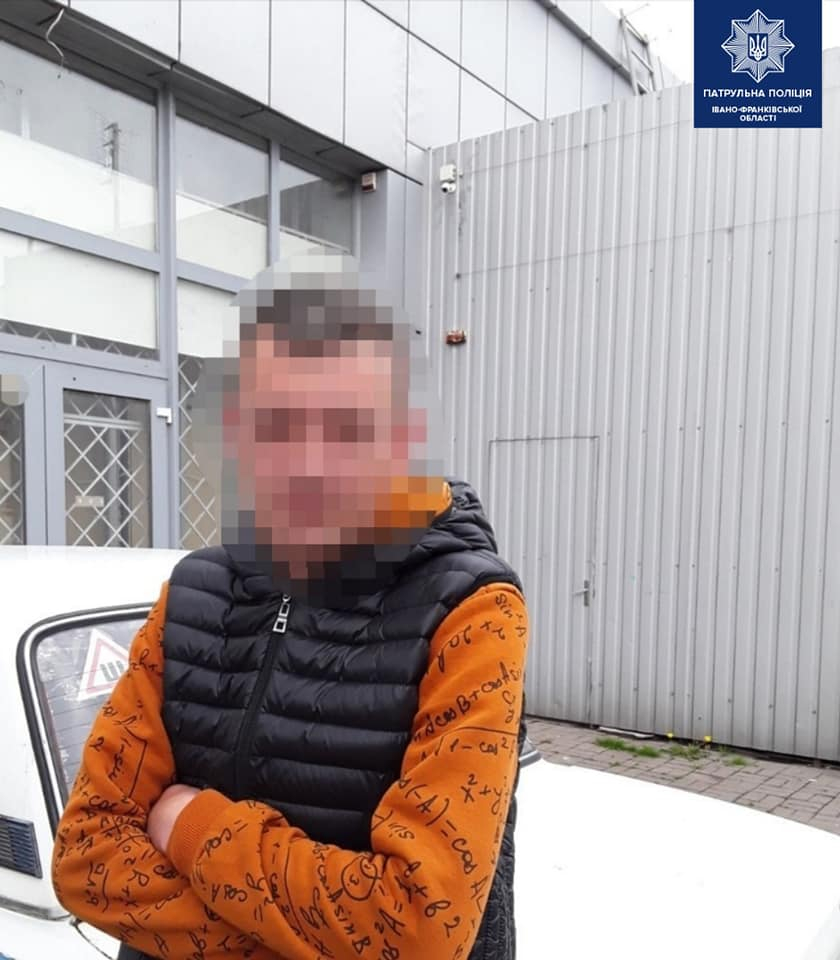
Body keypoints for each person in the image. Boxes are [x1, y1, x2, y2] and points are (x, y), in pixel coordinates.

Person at [52, 252, 529, 960]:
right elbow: (87, 859)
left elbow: (418, 930)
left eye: (345, 424)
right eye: (277, 422)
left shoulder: (469, 611)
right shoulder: (195, 593)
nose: (307, 461)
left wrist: (189, 825)